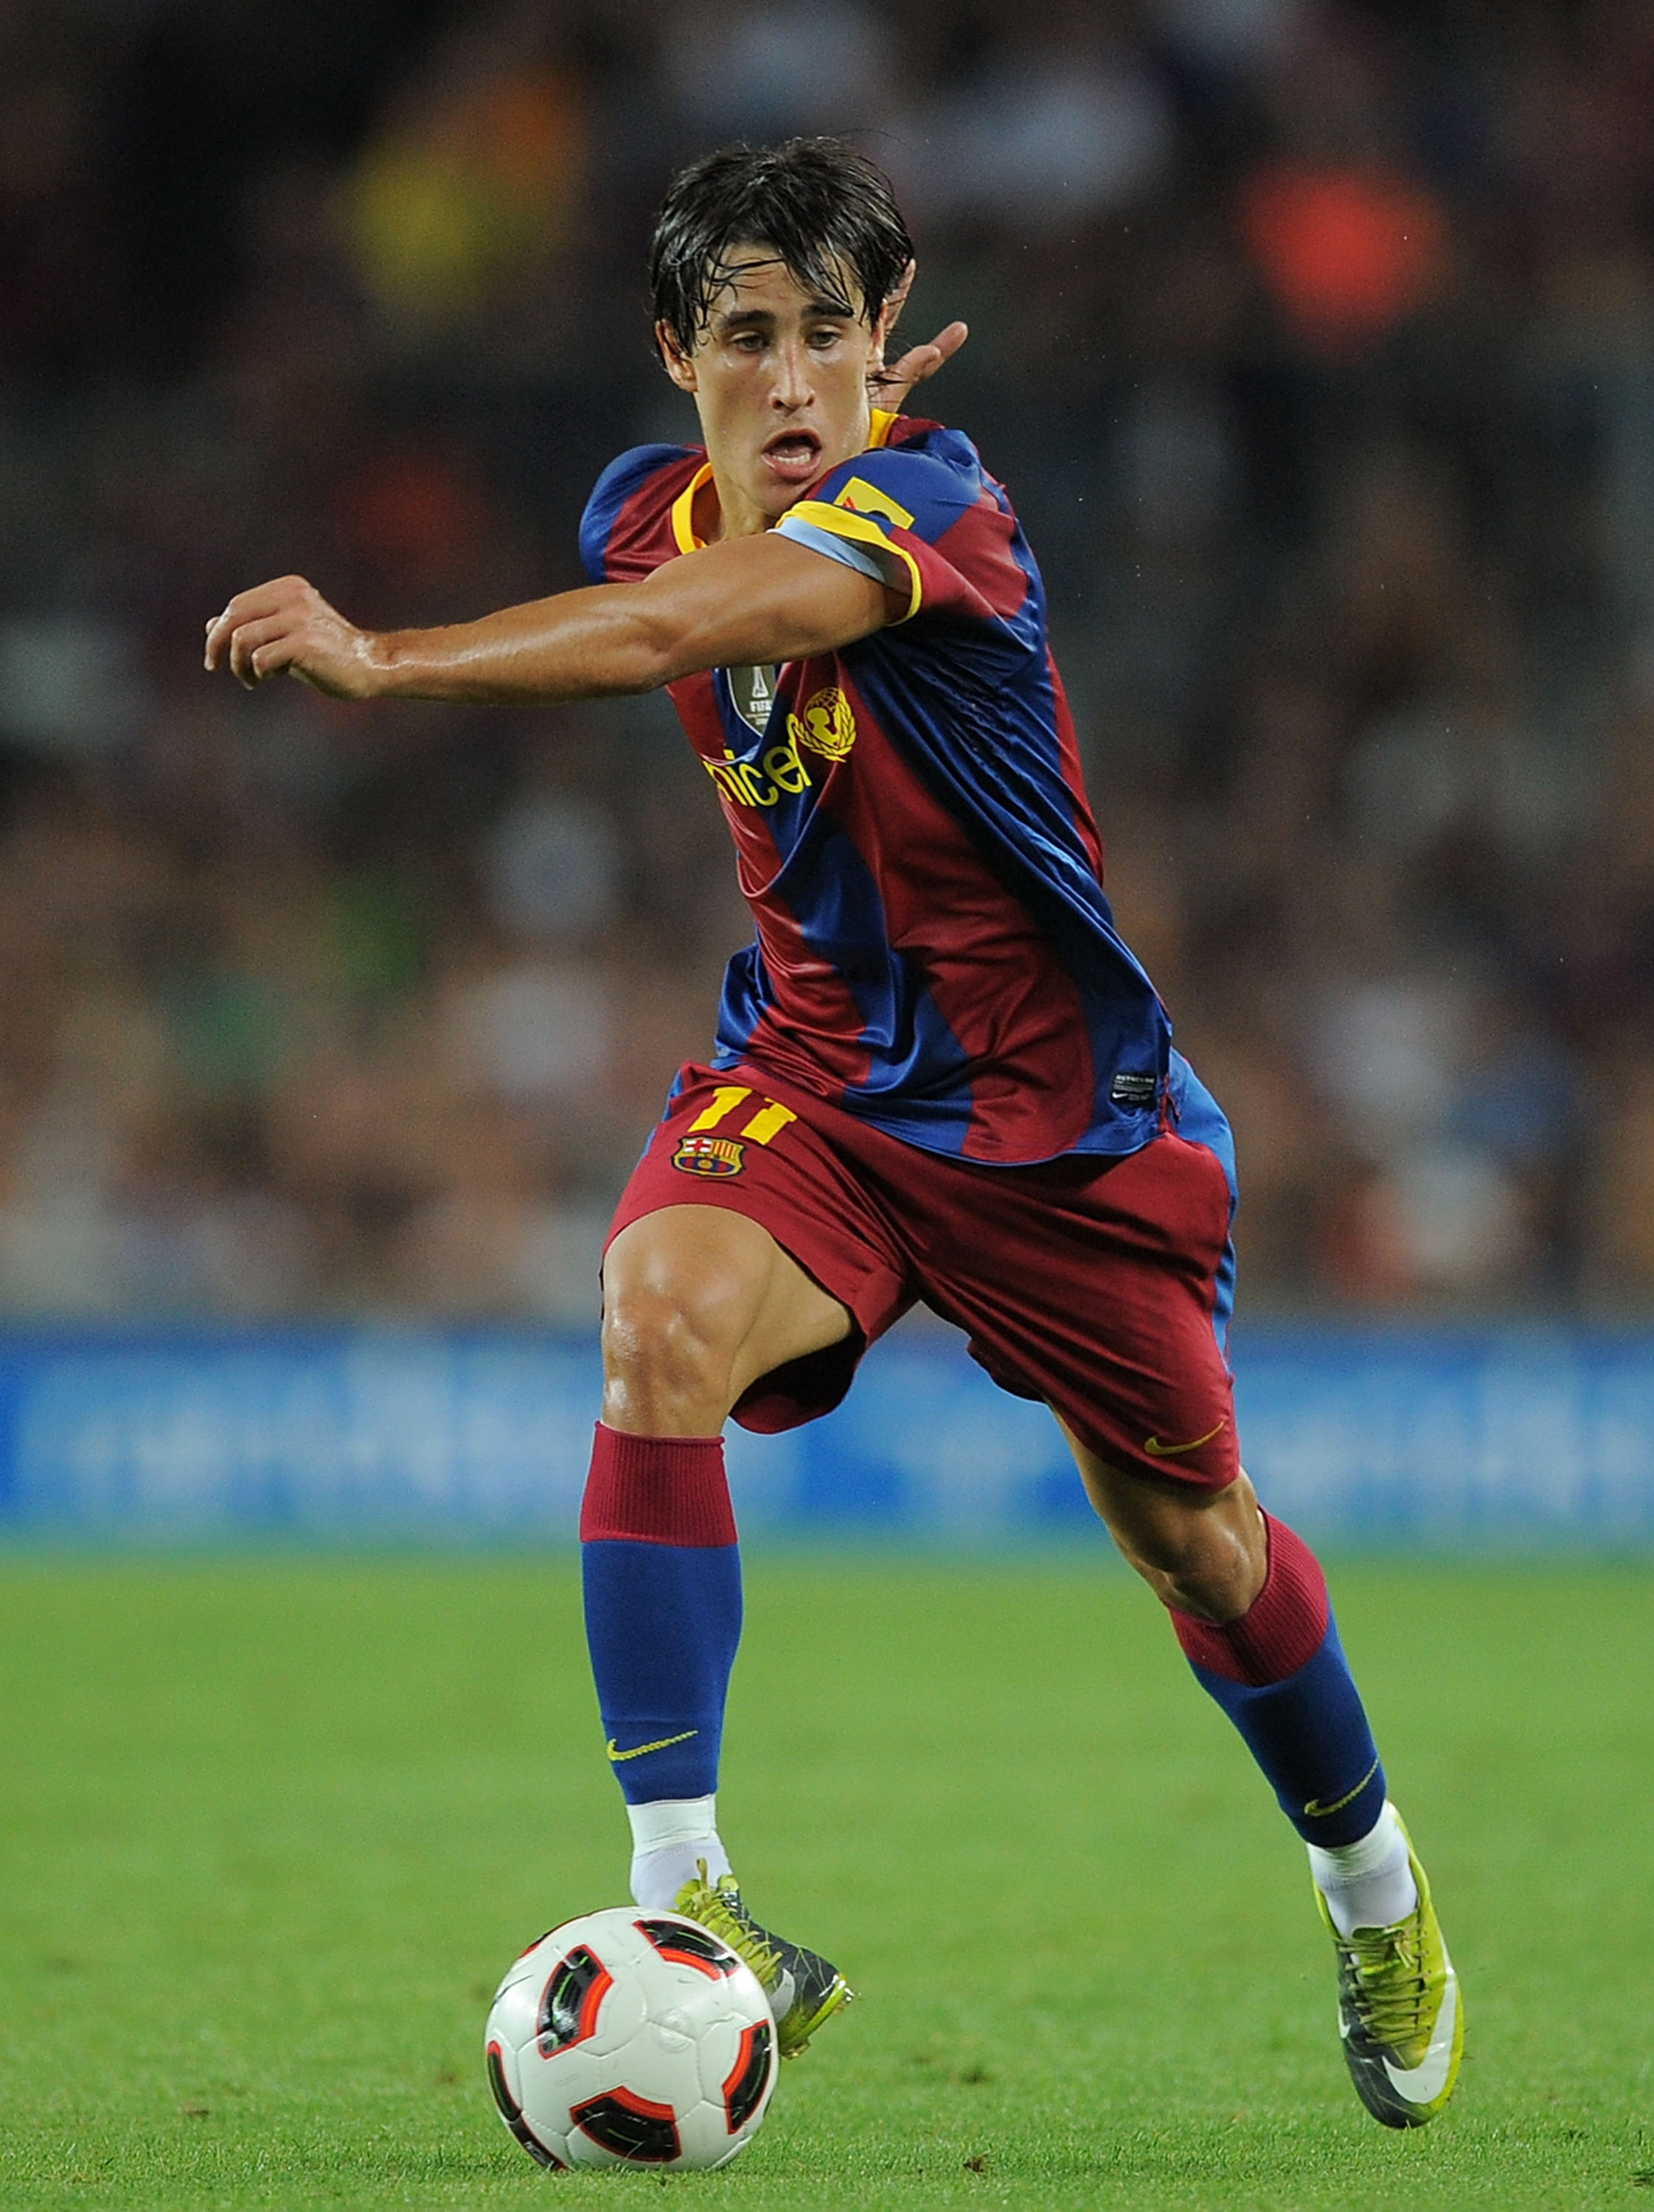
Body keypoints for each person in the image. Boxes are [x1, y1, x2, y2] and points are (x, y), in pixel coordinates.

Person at [206, 136, 1462, 2129]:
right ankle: (692, 1907)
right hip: (814, 1087)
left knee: (1198, 1545)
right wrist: (833, 401)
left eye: (832, 339)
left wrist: (389, 655)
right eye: (748, 341)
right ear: (673, 353)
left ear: (891, 349)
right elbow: (674, 577)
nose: (791, 382)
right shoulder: (649, 507)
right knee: (653, 1322)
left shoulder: (943, 501)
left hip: (1063, 1139)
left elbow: (667, 638)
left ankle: (1373, 1886)